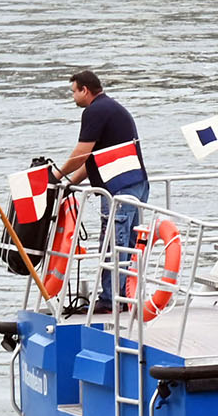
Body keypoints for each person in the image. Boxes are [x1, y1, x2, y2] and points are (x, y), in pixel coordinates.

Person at [56, 69, 149, 313]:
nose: (73, 97)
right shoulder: (112, 108)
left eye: (74, 92)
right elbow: (92, 162)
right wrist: (69, 184)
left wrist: (55, 176)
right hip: (136, 183)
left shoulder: (94, 111)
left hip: (118, 189)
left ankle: (110, 301)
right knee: (129, 245)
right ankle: (126, 298)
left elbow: (81, 154)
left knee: (113, 244)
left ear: (85, 90)